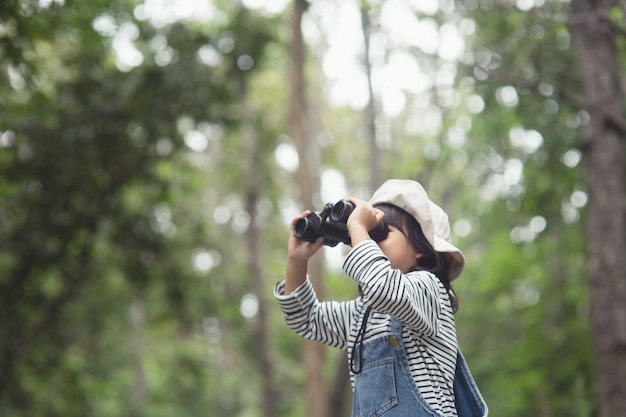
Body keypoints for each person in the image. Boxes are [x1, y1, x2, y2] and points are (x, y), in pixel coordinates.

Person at [274, 179, 488, 417]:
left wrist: (358, 227)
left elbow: (384, 288)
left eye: (380, 232)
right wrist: (297, 261)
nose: (370, 240)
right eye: (369, 235)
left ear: (421, 246)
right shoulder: (361, 315)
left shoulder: (430, 291)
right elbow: (306, 318)